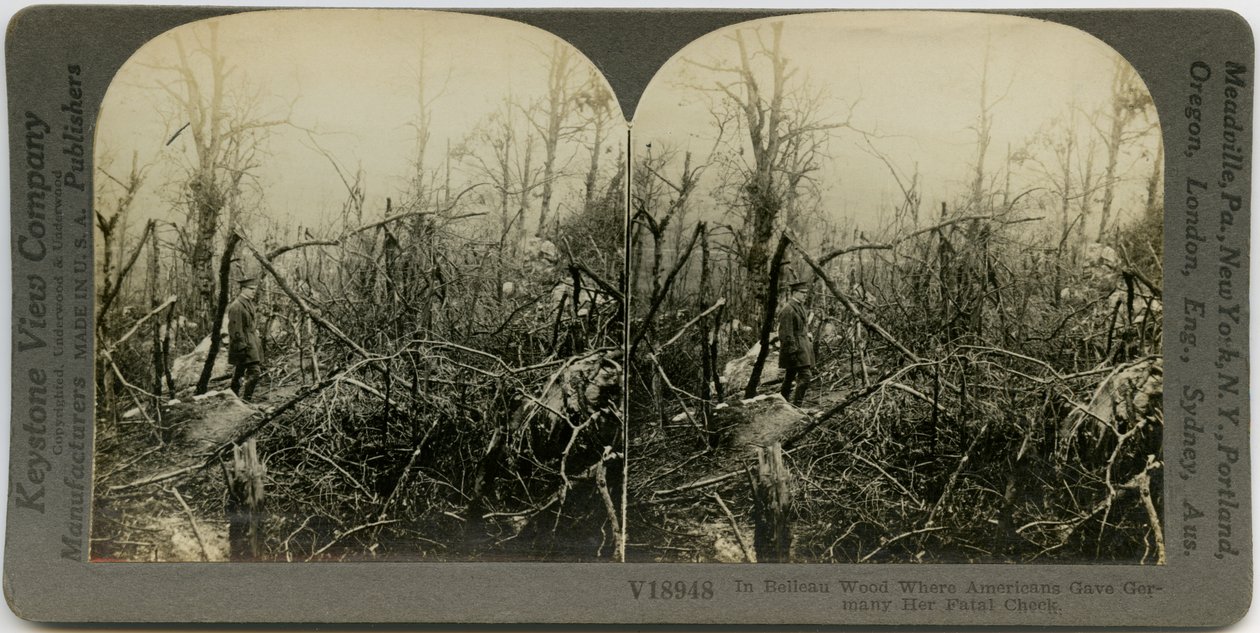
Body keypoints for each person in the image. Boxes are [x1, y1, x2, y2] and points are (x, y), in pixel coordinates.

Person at [777, 280, 814, 406]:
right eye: (802, 293)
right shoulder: (788, 309)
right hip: (796, 348)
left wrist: (806, 333)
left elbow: (800, 326)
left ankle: (782, 403)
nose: (805, 295)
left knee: (790, 376)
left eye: (806, 293)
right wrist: (792, 352)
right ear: (795, 293)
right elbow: (786, 334)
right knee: (806, 376)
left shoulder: (798, 306)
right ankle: (797, 405)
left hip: (802, 346)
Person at [227, 276, 264, 401]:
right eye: (251, 289)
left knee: (239, 371)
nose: (254, 291)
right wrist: (242, 348)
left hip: (251, 342)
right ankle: (246, 399)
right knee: (255, 372)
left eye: (255, 289)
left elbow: (249, 323)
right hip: (244, 345)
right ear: (243, 289)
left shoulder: (248, 303)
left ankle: (232, 397)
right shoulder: (237, 306)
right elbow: (235, 329)